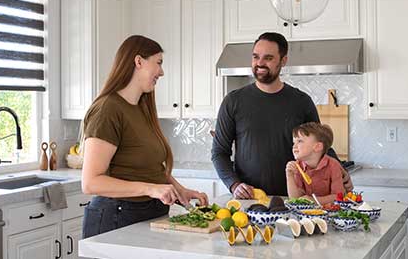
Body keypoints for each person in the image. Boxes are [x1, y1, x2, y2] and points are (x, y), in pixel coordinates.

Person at [81, 35, 208, 239]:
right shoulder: (108, 109)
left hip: (146, 215)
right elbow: (90, 183)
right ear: (138, 61)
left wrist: (180, 192)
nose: (162, 72)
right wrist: (152, 189)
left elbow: (151, 168)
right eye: (158, 63)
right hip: (116, 218)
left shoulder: (142, 108)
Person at [211, 32, 354, 199]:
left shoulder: (301, 102)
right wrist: (234, 184)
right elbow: (219, 152)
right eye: (256, 57)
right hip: (250, 200)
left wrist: (340, 170)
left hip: (295, 200)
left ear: (283, 60)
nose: (260, 63)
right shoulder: (233, 102)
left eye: (268, 58)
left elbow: (321, 145)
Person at [286, 122, 345, 204]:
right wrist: (290, 176)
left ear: (317, 147)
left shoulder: (333, 165)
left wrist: (314, 201)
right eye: (294, 142)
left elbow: (339, 196)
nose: (294, 146)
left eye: (299, 141)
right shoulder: (297, 167)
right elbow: (295, 199)